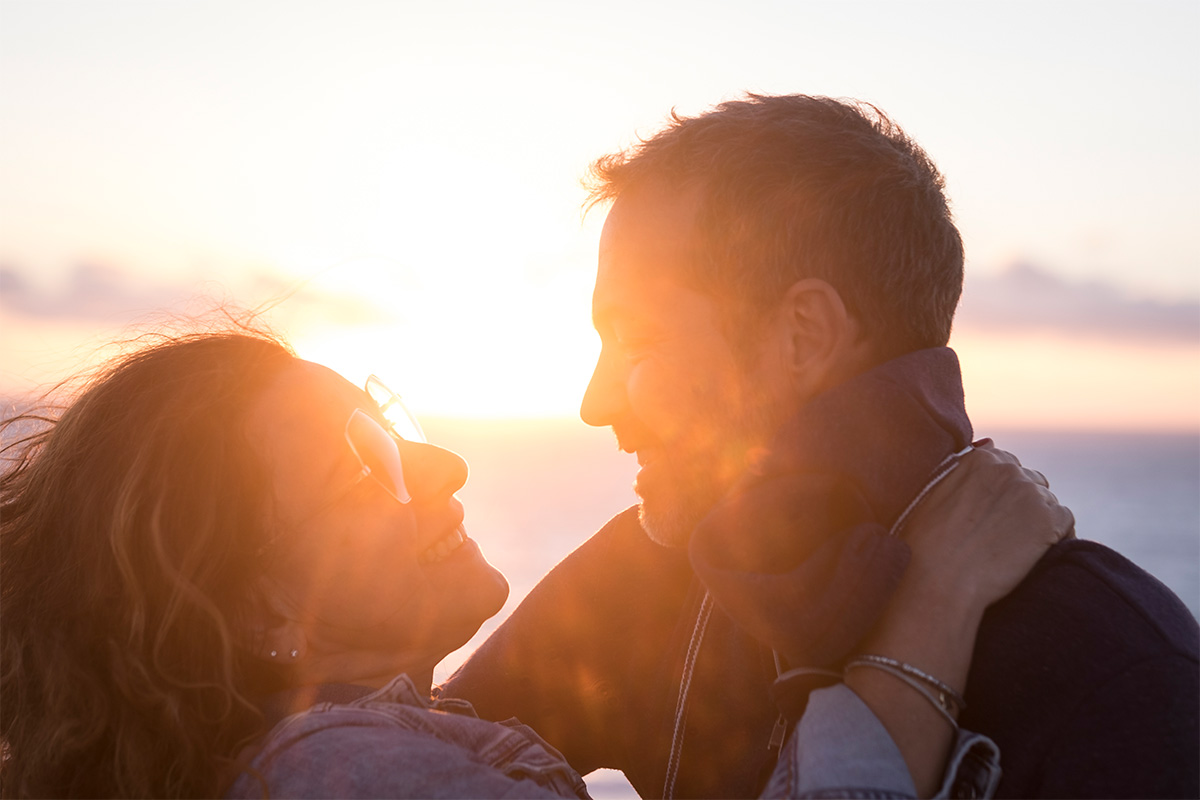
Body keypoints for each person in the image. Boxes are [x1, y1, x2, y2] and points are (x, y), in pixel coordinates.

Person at [440, 94, 1200, 798]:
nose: (594, 404)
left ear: (804, 335)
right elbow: (405, 760)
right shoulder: (641, 588)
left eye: (636, 341)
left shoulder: (1117, 672)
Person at [0, 328, 1067, 798]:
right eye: (363, 464)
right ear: (256, 605)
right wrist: (937, 599)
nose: (438, 459)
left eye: (385, 418)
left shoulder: (330, 745)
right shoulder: (335, 771)